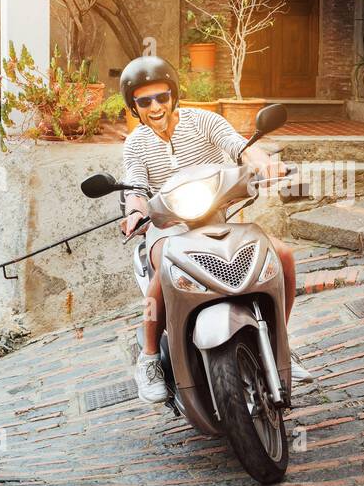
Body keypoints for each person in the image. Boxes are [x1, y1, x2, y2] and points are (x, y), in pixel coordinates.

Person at [117, 56, 313, 402]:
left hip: (215, 217)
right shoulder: (136, 144)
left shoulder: (203, 120)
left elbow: (241, 148)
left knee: (281, 255)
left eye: (162, 97)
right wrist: (134, 213)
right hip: (169, 227)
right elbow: (135, 188)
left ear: (173, 96)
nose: (156, 107)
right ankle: (149, 358)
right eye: (145, 101)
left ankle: (281, 342)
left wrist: (268, 166)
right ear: (135, 107)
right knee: (162, 273)